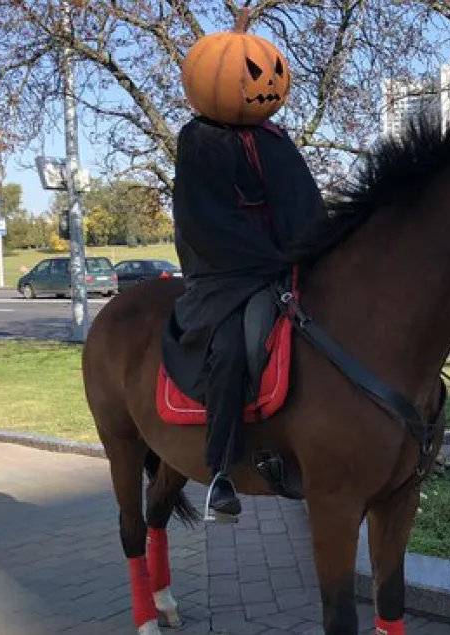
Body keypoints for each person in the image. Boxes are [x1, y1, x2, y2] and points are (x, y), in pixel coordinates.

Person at [169, 17, 325, 522]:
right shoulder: (199, 142)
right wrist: (267, 258)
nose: (265, 82)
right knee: (232, 346)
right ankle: (220, 471)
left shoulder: (277, 140)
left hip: (285, 265)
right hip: (225, 275)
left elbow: (306, 205)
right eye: (253, 72)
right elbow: (206, 221)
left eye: (272, 71)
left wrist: (319, 248)